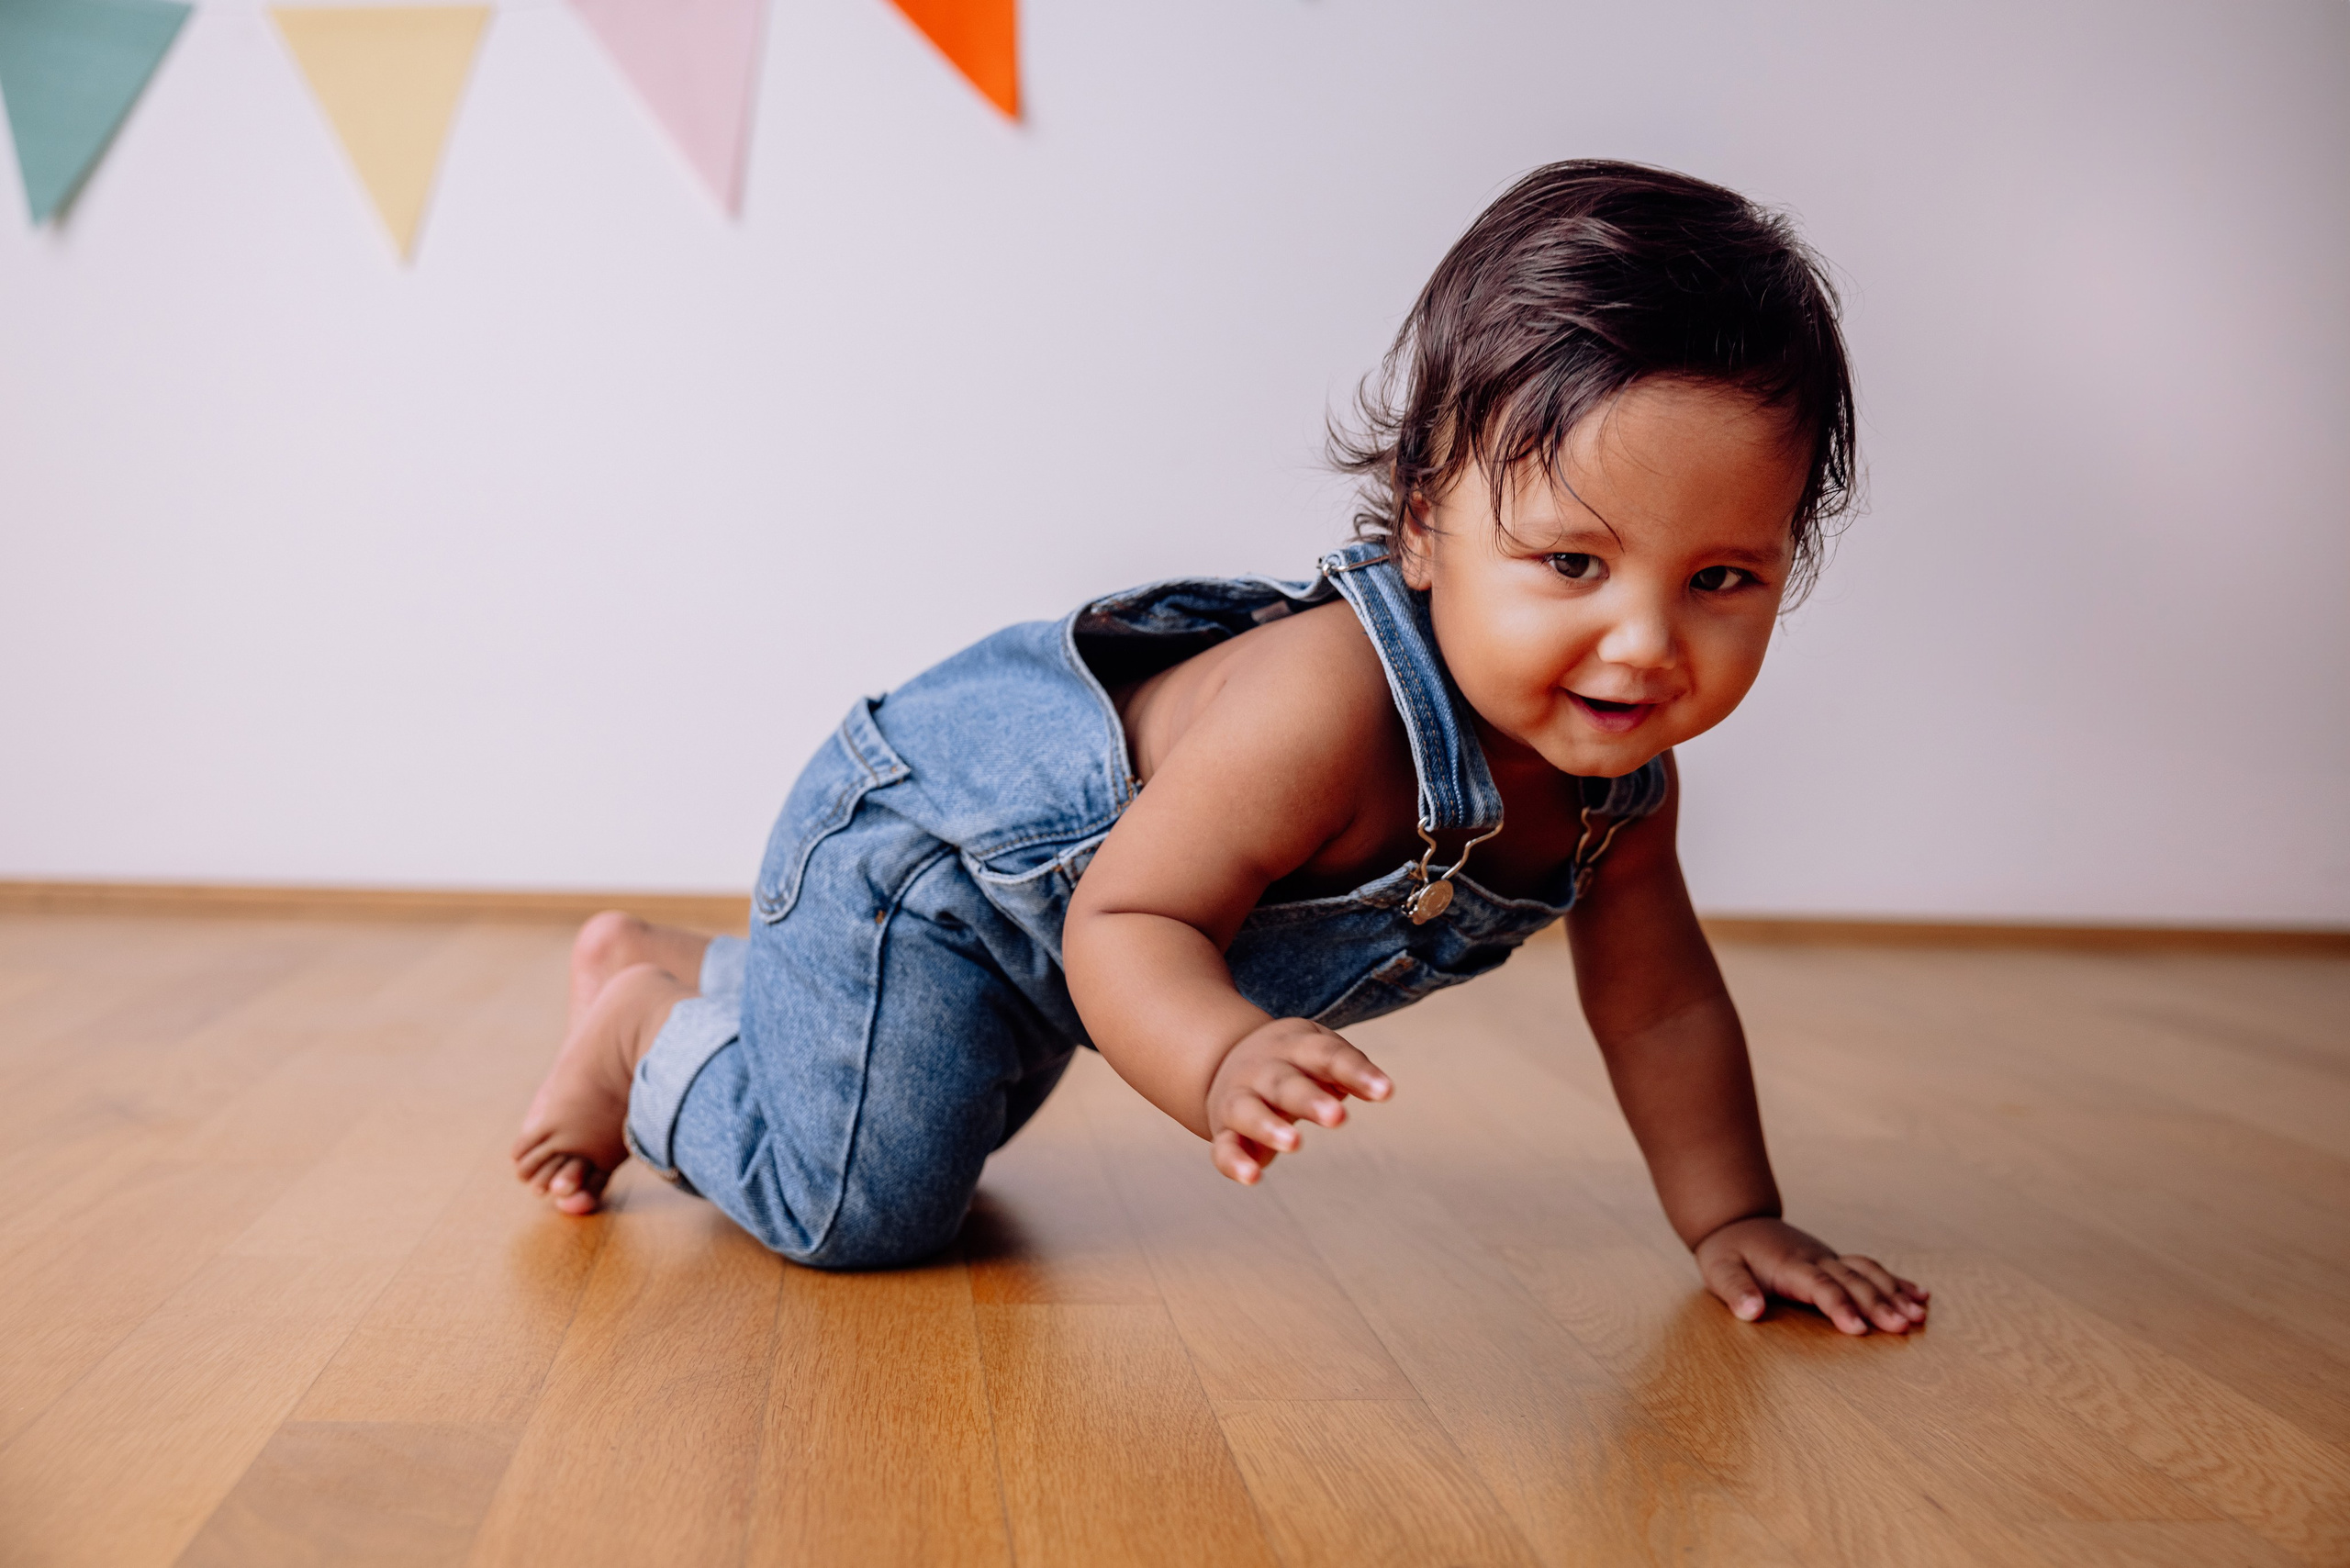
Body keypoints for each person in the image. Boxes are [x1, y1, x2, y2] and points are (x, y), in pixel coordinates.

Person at [512, 160, 1930, 1336]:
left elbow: (1661, 1004)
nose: (1642, 642)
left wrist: (1733, 1214)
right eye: (1572, 563)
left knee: (938, 1115)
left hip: (1052, 953)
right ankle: (644, 1030)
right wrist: (1221, 1057)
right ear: (1426, 523)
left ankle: (714, 977)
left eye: (1721, 581)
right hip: (926, 876)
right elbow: (1128, 919)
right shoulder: (1321, 712)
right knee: (863, 1212)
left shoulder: (1622, 787)